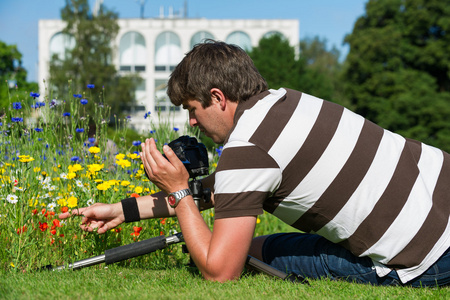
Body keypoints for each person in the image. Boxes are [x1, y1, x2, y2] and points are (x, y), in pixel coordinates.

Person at [60, 40, 450, 287]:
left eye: (192, 109)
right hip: (441, 202)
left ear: (218, 97)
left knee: (254, 254)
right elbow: (225, 189)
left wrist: (178, 191)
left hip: (424, 257)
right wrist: (123, 211)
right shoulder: (286, 102)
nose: (191, 122)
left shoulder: (248, 149)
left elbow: (220, 271)